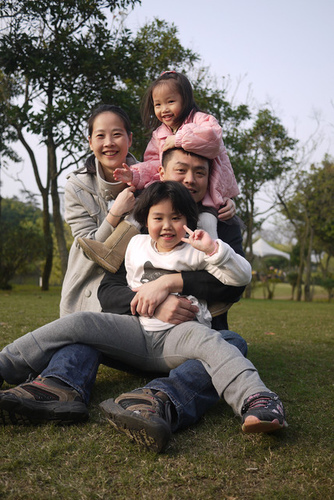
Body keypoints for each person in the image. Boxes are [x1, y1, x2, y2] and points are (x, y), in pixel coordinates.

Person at [0, 182, 287, 454]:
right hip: (136, 333)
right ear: (145, 219)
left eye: (176, 218)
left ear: (189, 219)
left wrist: (213, 250)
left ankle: (258, 400)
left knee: (219, 344)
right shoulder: (136, 246)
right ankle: (8, 363)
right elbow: (111, 291)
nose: (166, 226)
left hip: (181, 336)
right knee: (82, 322)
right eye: (157, 217)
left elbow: (241, 278)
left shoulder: (197, 251)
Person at [78, 70, 239, 273]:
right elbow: (154, 165)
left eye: (171, 101)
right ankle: (111, 251)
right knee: (140, 208)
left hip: (205, 197)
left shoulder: (200, 120)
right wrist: (135, 175)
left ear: (186, 100)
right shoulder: (159, 134)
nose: (164, 109)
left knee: (207, 223)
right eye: (158, 104)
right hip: (172, 194)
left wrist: (179, 139)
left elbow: (213, 139)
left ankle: (213, 269)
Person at [59, 103, 138, 317]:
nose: (109, 143)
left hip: (133, 296)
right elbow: (88, 247)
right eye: (100, 136)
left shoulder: (149, 182)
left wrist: (224, 200)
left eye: (117, 134)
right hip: (87, 293)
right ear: (90, 142)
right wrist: (115, 213)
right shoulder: (77, 186)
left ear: (129, 139)